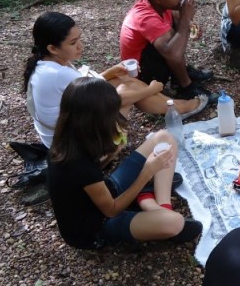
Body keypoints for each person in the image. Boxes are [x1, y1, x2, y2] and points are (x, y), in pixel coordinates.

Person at [47, 77, 202, 249]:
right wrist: (147, 172)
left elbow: (88, 178)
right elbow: (111, 210)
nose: (115, 118)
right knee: (174, 223)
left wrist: (112, 154)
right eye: (112, 113)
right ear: (95, 118)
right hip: (98, 225)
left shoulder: (70, 136)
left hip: (106, 191)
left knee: (164, 138)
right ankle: (148, 202)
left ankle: (161, 206)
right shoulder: (75, 161)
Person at [23, 11, 208, 148]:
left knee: (124, 80)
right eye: (73, 43)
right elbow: (112, 100)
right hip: (74, 148)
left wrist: (111, 72)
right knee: (127, 90)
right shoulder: (58, 74)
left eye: (79, 39)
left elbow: (85, 87)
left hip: (69, 133)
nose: (80, 46)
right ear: (52, 48)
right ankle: (181, 108)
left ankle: (177, 107)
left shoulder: (48, 63)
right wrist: (151, 89)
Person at [120, 0, 216, 101]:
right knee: (171, 45)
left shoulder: (160, 5)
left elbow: (178, 20)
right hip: (140, 75)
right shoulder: (146, 17)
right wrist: (185, 19)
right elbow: (173, 53)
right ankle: (186, 87)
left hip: (152, 59)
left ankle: (179, 75)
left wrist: (189, 24)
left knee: (175, 34)